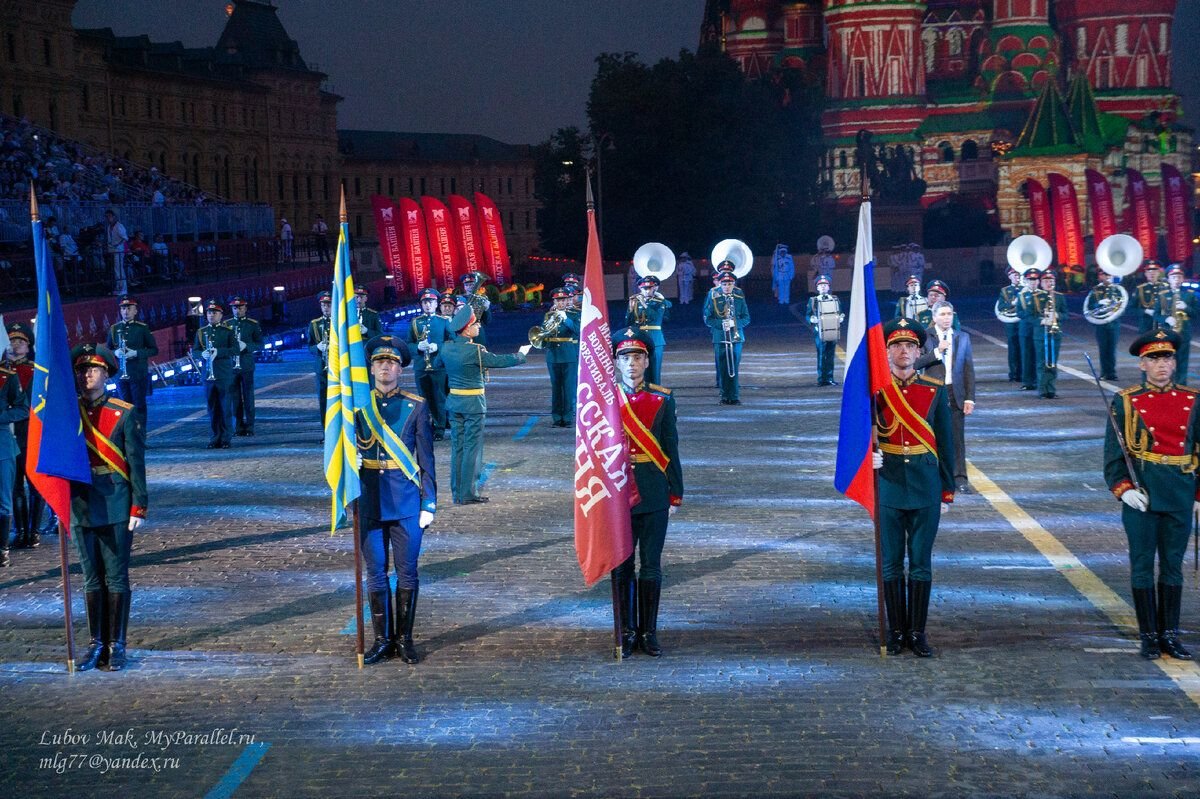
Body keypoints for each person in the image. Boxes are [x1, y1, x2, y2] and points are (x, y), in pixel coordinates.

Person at [1104, 329, 1196, 661]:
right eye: (1154, 359)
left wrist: (1198, 495)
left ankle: (1170, 634)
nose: (1162, 365)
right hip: (1144, 493)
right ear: (1142, 364)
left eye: (1167, 358)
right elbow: (1114, 456)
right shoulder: (1126, 401)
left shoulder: (1193, 399)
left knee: (1173, 567)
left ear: (1174, 362)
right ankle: (1149, 636)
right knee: (1142, 565)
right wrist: (1125, 490)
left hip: (1180, 494)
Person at [871, 318, 955, 657]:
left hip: (925, 488)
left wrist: (947, 491)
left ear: (919, 351)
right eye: (896, 345)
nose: (903, 351)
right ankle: (896, 632)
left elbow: (948, 446)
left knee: (920, 562)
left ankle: (917, 633)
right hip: (888, 485)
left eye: (909, 346)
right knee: (891, 563)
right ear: (887, 351)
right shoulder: (875, 391)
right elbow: (859, 436)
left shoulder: (935, 390)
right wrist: (868, 461)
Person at [356, 336, 437, 665]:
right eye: (379, 362)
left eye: (391, 362)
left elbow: (426, 458)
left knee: (407, 573)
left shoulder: (416, 404)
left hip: (405, 502)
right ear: (371, 368)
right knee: (375, 573)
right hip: (369, 500)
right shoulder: (358, 405)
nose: (385, 367)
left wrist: (428, 503)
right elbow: (343, 446)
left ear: (400, 369)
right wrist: (351, 465)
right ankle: (381, 640)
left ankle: (404, 639)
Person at [70, 344, 147, 671]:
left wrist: (138, 505)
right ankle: (95, 642)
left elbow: (135, 462)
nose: (88, 374)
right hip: (80, 502)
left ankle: (117, 644)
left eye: (95, 369)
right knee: (91, 577)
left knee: (115, 576)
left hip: (115, 500)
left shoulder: (124, 411)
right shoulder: (68, 413)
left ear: (107, 374)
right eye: (83, 369)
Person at [611, 329, 683, 658]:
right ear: (615, 362)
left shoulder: (663, 399)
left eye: (637, 357)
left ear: (647, 361)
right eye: (625, 358)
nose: (631, 365)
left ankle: (648, 632)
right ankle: (625, 631)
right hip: (617, 492)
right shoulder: (605, 399)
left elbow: (671, 447)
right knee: (622, 567)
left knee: (651, 566)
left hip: (654, 491)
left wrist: (676, 492)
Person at [433, 304, 529, 504]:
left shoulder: (446, 348)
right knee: (471, 449)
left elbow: (436, 365)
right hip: (473, 404)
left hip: (454, 403)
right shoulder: (475, 350)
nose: (478, 327)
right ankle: (467, 493)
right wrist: (520, 356)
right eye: (475, 324)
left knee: (457, 448)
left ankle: (457, 492)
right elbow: (499, 361)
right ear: (466, 329)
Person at [915, 301, 976, 493]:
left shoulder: (962, 337)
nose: (946, 318)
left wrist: (969, 398)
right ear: (934, 317)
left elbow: (968, 369)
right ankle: (934, 477)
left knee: (957, 438)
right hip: (933, 393)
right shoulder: (925, 336)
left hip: (955, 393)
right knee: (932, 437)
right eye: (942, 314)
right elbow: (916, 363)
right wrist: (937, 351)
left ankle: (960, 478)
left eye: (949, 314)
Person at [5, 322, 45, 550]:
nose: (15, 345)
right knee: (16, 487)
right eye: (12, 341)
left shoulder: (34, 371)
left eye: (20, 341)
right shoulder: (4, 371)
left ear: (28, 346)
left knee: (35, 485)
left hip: (30, 433)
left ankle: (34, 531)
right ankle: (20, 531)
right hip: (11, 437)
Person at [408, 288, 453, 440]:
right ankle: (427, 425)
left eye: (431, 302)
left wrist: (438, 347)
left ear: (436, 304)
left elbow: (452, 341)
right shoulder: (415, 322)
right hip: (421, 366)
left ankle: (439, 428)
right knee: (424, 398)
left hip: (438, 365)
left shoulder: (444, 321)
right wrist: (417, 347)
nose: (428, 305)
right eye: (425, 302)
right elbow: (408, 344)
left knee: (439, 397)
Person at [105, 295, 158, 424]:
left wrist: (136, 353)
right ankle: (128, 438)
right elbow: (107, 350)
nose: (126, 311)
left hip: (138, 373)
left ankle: (139, 436)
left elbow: (154, 350)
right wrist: (115, 352)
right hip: (121, 375)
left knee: (138, 406)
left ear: (135, 311)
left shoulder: (142, 328)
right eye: (123, 308)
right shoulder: (114, 329)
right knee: (123, 406)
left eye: (129, 308)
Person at [703, 267, 750, 405]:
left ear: (733, 284)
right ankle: (724, 396)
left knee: (734, 367)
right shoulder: (713, 296)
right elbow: (708, 318)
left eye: (730, 284)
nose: (727, 287)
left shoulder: (739, 297)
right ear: (720, 284)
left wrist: (734, 323)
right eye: (724, 284)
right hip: (720, 336)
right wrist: (721, 324)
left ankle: (734, 396)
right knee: (723, 367)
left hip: (736, 337)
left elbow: (746, 318)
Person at [195, 300, 237, 448]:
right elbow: (195, 351)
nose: (212, 315)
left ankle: (226, 437)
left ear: (221, 315)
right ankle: (215, 436)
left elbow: (235, 349)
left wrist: (218, 352)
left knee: (225, 407)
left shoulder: (227, 331)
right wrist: (202, 354)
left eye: (215, 313)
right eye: (209, 313)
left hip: (223, 374)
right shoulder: (201, 332)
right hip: (208, 376)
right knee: (212, 408)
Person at [0, 354, 29, 568]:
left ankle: (2, 549)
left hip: (2, 446)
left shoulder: (6, 377)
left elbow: (22, 408)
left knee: (3, 502)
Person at [542, 287, 581, 427]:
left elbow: (577, 331)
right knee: (556, 388)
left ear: (566, 301)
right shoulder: (548, 315)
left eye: (563, 300)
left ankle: (568, 418)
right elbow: (543, 333)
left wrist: (565, 319)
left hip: (568, 353)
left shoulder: (574, 314)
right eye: (558, 300)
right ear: (554, 301)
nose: (560, 303)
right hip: (553, 354)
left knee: (569, 387)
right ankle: (557, 418)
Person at [226, 296, 264, 436]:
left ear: (245, 308)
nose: (238, 310)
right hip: (231, 366)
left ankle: (250, 426)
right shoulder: (227, 325)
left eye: (240, 308)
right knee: (235, 398)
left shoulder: (252, 324)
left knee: (248, 397)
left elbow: (259, 343)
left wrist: (246, 346)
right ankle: (238, 426)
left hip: (246, 365)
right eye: (235, 308)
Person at [625, 274, 671, 385]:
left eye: (649, 288)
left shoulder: (659, 302)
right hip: (641, 339)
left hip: (655, 339)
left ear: (653, 289)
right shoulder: (635, 302)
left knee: (654, 370)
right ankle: (644, 395)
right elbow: (628, 323)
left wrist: (644, 304)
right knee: (642, 370)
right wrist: (630, 311)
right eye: (644, 289)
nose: (646, 291)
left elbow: (655, 317)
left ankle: (656, 397)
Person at [1031, 268, 1066, 399]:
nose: (1049, 283)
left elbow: (1066, 313)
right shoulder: (1035, 297)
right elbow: (1030, 315)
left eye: (1051, 280)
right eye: (1046, 280)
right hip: (1040, 334)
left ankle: (1051, 389)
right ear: (1041, 282)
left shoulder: (1060, 297)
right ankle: (1042, 390)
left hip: (1055, 333)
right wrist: (1042, 320)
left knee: (1053, 362)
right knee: (1042, 363)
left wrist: (1057, 315)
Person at [1162, 264, 1197, 384]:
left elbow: (1196, 314)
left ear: (1182, 279)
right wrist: (1166, 319)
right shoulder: (1164, 295)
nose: (1176, 280)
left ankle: (1181, 386)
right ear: (1168, 279)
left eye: (1179, 277)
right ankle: (1168, 386)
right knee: (1167, 362)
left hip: (1183, 334)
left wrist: (1186, 307)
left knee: (1182, 362)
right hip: (1167, 334)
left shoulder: (1189, 295)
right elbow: (1157, 314)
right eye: (1173, 277)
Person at [807, 275, 842, 387]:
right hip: (820, 331)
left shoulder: (834, 299)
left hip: (832, 330)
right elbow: (808, 315)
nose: (823, 287)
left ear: (828, 287)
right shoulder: (813, 300)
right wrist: (812, 319)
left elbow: (839, 311)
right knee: (822, 354)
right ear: (817, 288)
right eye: (820, 285)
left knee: (831, 354)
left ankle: (830, 377)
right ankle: (822, 378)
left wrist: (841, 318)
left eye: (825, 285)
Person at [1088, 270, 1124, 381]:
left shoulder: (1118, 290)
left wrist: (1114, 305)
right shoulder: (1095, 291)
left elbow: (1122, 304)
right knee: (1103, 349)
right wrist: (1099, 303)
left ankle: (1112, 373)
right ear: (1100, 276)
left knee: (1112, 349)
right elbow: (1090, 306)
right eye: (1104, 274)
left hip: (1114, 323)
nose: (1107, 277)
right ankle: (1104, 372)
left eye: (1109, 274)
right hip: (1101, 324)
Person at [308, 291, 333, 428]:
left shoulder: (340, 323)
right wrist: (317, 347)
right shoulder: (314, 324)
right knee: (323, 401)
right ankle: (326, 431)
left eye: (328, 305)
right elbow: (310, 345)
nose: (326, 308)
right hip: (321, 367)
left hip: (337, 366)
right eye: (323, 305)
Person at [1016, 267, 1042, 392]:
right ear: (1026, 281)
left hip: (1040, 331)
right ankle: (1027, 382)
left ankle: (1039, 380)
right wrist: (1035, 320)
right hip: (1026, 330)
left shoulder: (1044, 295)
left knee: (1039, 356)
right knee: (1026, 356)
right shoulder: (1021, 295)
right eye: (1030, 280)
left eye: (1035, 279)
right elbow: (1019, 312)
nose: (1033, 282)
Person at [997, 267, 1024, 382]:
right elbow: (1001, 307)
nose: (1017, 277)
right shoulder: (1005, 291)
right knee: (1013, 349)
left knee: (1024, 348)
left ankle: (1024, 373)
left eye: (1018, 275)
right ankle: (1013, 373)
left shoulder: (1025, 289)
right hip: (1011, 323)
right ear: (1009, 276)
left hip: (1023, 321)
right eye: (1014, 275)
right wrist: (1012, 304)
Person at [457, 271, 492, 346]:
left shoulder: (482, 299)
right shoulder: (459, 299)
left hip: (478, 332)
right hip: (463, 332)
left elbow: (488, 321)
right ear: (464, 287)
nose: (470, 287)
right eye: (467, 285)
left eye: (472, 284)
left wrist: (486, 309)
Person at [1135, 260, 1167, 334]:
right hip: (1146, 327)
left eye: (1155, 271)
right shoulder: (1140, 289)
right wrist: (1145, 311)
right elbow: (1131, 308)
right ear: (1145, 274)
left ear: (1159, 273)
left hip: (1162, 326)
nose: (1152, 274)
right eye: (1149, 272)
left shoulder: (1166, 288)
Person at [104, 208, 129, 296]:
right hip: (113, 250)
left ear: (114, 217)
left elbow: (125, 238)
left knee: (119, 269)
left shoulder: (119, 226)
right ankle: (119, 287)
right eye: (106, 217)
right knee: (116, 270)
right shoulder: (109, 227)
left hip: (118, 250)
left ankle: (123, 289)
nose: (108, 218)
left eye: (109, 216)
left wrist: (117, 245)